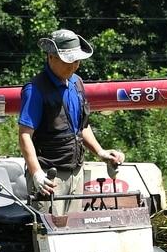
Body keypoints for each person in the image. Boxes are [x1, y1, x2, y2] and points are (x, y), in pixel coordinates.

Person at [18, 29, 125, 198]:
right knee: (49, 224)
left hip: (76, 173)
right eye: (68, 61)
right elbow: (25, 135)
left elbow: (82, 126)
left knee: (74, 223)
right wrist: (36, 173)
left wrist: (101, 153)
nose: (73, 65)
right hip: (49, 177)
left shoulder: (77, 83)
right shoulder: (35, 89)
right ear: (51, 56)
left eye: (76, 61)